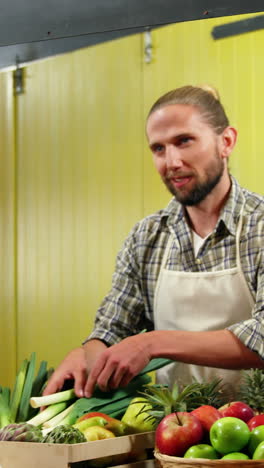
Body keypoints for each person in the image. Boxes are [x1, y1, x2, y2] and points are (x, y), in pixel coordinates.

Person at [43, 85, 264, 400]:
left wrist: (152, 343)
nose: (171, 162)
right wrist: (89, 354)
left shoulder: (259, 227)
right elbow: (111, 330)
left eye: (184, 141)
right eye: (158, 148)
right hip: (173, 436)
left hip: (256, 434)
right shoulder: (145, 238)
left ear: (225, 141)